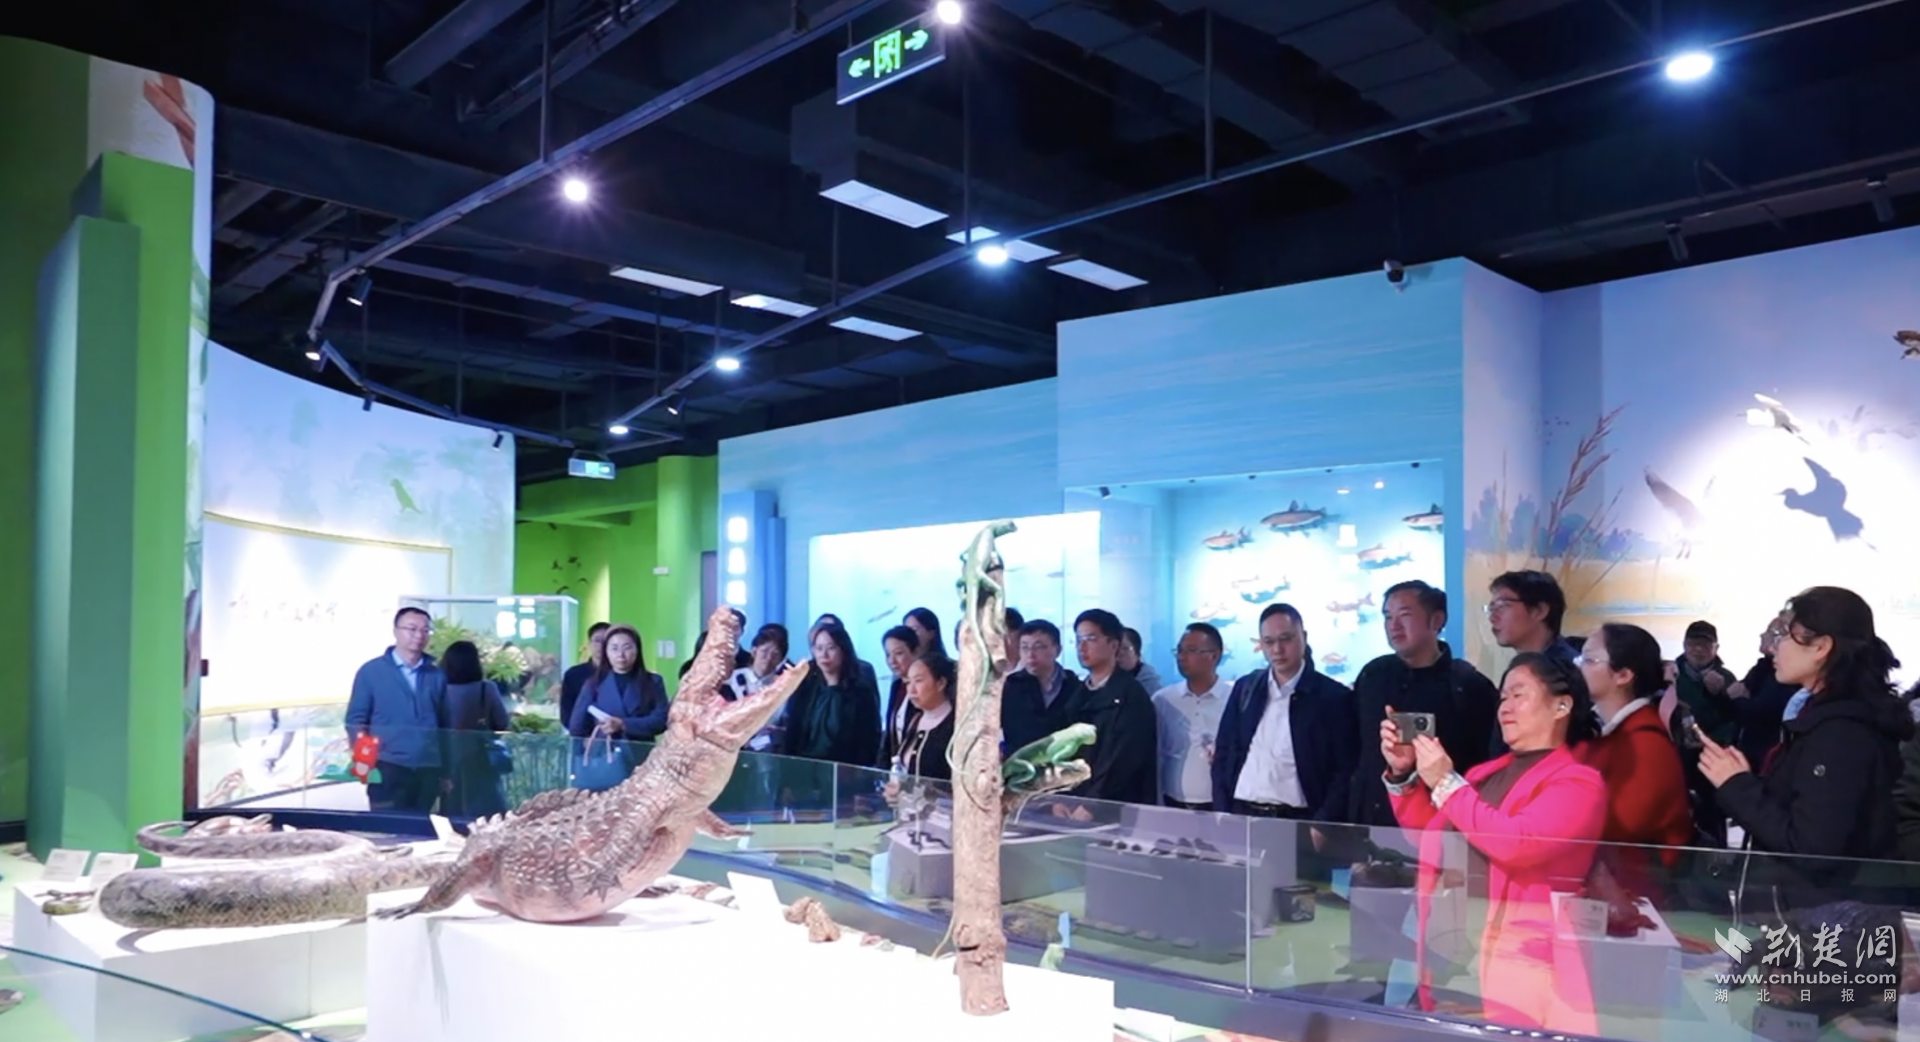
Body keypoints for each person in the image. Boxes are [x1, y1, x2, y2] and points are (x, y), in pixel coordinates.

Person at [1382, 652, 1606, 1032]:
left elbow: (1518, 843)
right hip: (1453, 949)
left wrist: (1446, 782)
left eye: (1519, 694)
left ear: (1562, 706)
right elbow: (1431, 836)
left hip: (1522, 961)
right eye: (1503, 697)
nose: (1505, 706)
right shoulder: (1484, 773)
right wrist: (1403, 775)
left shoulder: (1579, 782)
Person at [1701, 587, 1912, 908]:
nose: (1775, 647)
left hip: (1822, 925)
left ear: (1821, 647)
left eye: (1785, 635)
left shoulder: (1842, 734)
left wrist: (1737, 786)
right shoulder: (1827, 718)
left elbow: (1812, 848)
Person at [1348, 581, 1499, 826]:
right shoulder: (1373, 675)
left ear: (1436, 620)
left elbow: (1485, 764)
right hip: (1371, 822)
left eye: (1405, 615)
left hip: (1440, 827)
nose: (1394, 626)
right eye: (1388, 617)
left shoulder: (1469, 686)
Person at [1575, 622, 1694, 899]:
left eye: (1590, 660)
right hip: (1610, 886)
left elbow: (1618, 827)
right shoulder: (1603, 731)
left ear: (1623, 675)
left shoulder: (1646, 744)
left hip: (1638, 894)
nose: (1579, 668)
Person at [1211, 603, 1356, 821]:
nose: (1277, 650)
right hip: (1241, 814)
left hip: (1299, 819)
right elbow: (1223, 751)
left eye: (1285, 639)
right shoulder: (1246, 688)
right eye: (1269, 642)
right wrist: (1222, 810)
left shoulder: (1333, 697)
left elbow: (1346, 769)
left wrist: (1323, 822)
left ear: (1303, 637)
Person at [345, 607, 450, 813]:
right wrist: (366, 762)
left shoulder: (436, 675)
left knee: (422, 827)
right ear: (396, 631)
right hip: (386, 765)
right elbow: (356, 720)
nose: (419, 635)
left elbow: (445, 725)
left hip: (428, 767)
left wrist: (447, 770)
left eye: (425, 630)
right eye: (411, 629)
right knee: (387, 826)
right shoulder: (371, 672)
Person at [1063, 609, 1159, 805]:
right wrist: (1064, 797)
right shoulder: (1077, 694)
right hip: (1077, 799)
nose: (1082, 647)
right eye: (1078, 639)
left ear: (1114, 645)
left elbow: (1126, 759)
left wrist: (1093, 802)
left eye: (1091, 638)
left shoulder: (1131, 695)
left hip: (1116, 804)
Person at [1152, 623, 1231, 810]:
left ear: (1214, 655)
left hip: (1221, 804)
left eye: (1191, 650)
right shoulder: (1163, 700)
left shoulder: (1234, 698)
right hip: (1172, 803)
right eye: (1179, 650)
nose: (1182, 657)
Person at [782, 622, 882, 767]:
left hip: (844, 772)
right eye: (819, 648)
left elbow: (869, 741)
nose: (824, 655)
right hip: (804, 769)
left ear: (844, 650)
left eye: (831, 648)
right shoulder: (805, 688)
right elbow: (792, 732)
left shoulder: (861, 693)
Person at [439, 639, 512, 818]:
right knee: (486, 811)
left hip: (446, 758)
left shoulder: (438, 689)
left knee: (452, 809)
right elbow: (501, 723)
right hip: (480, 758)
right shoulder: (486, 689)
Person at [1001, 619, 1082, 753]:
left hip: (1064, 761)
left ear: (1058, 650)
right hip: (1019, 763)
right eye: (1025, 647)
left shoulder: (1075, 687)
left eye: (1039, 647)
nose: (1030, 655)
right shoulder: (1009, 687)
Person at [892, 652, 957, 781]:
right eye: (908, 682)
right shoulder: (915, 720)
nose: (911, 690)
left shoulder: (956, 725)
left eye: (918, 681)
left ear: (940, 683)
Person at [878, 625, 921, 765]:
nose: (892, 661)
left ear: (915, 651)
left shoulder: (927, 687)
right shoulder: (897, 686)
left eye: (898, 653)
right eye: (888, 655)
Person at [558, 622, 609, 729]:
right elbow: (566, 712)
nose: (601, 645)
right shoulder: (573, 674)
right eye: (597, 640)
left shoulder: (621, 673)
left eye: (606, 641)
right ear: (589, 644)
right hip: (582, 735)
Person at [1117, 627, 1165, 695]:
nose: (1119, 653)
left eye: (1125, 648)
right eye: (1115, 648)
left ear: (1137, 653)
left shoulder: (1151, 686)